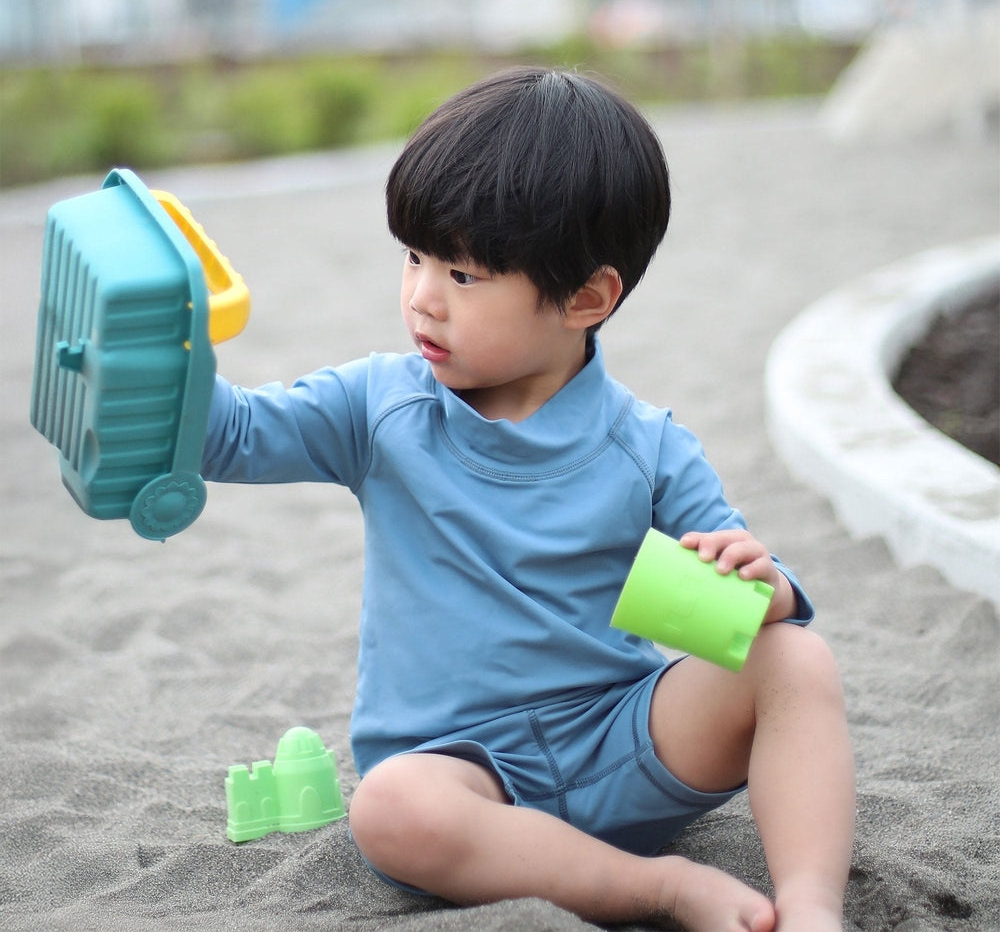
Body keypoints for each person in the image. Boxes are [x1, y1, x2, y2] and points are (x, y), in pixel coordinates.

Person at [201, 67, 855, 932]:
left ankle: (810, 909)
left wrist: (759, 583)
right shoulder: (378, 409)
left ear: (586, 297)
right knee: (389, 809)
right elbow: (232, 436)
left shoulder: (644, 444)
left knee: (796, 660)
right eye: (414, 258)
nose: (422, 297)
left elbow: (736, 608)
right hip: (461, 776)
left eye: (464, 276)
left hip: (622, 747)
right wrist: (165, 362)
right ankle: (662, 888)